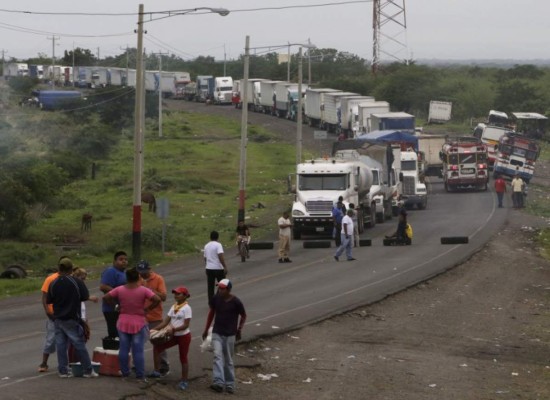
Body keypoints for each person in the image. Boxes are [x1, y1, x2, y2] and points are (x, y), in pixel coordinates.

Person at [103, 267, 161, 381]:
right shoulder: (143, 290)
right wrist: (147, 309)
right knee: (138, 350)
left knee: (124, 349)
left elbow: (106, 297)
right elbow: (157, 299)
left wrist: (116, 306)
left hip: (123, 321)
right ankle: (140, 375)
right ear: (138, 277)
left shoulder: (120, 289)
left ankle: (125, 373)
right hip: (138, 321)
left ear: (127, 278)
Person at [46, 258, 97, 378]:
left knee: (61, 345)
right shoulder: (76, 282)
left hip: (58, 319)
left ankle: (63, 371)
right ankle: (88, 370)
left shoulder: (53, 283)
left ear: (59, 268)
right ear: (71, 269)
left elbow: (49, 300)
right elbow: (85, 296)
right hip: (72, 318)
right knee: (79, 344)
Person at [202, 279, 247, 394]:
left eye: (222, 288)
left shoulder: (236, 302)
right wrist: (206, 329)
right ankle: (218, 382)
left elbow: (243, 315)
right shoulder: (216, 299)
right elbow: (211, 313)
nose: (220, 290)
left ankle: (230, 384)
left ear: (228, 289)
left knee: (228, 360)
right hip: (217, 332)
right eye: (219, 288)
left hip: (230, 334)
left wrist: (239, 330)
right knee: (217, 356)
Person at [149, 286, 192, 391]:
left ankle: (184, 381)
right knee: (157, 348)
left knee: (183, 357)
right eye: (175, 293)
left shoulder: (187, 308)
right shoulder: (174, 307)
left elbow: (186, 325)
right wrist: (153, 330)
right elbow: (165, 322)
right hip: (173, 335)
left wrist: (173, 329)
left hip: (183, 336)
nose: (176, 295)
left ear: (185, 296)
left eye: (178, 294)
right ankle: (156, 371)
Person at [137, 260, 169, 376]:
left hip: (155, 316)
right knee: (137, 342)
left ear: (150, 269)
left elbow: (163, 297)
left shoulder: (158, 279)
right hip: (140, 317)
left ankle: (163, 366)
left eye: (144, 271)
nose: (142, 274)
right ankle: (137, 365)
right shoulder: (137, 279)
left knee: (158, 342)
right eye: (140, 272)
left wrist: (149, 290)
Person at [38, 256, 67, 373]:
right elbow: (44, 297)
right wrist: (47, 311)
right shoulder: (50, 279)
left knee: (70, 340)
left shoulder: (71, 279)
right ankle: (44, 362)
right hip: (54, 315)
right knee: (51, 339)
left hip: (67, 314)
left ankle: (67, 363)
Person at [69, 267, 98, 362]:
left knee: (81, 339)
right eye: (82, 278)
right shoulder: (74, 286)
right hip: (78, 317)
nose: (83, 281)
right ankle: (75, 360)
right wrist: (90, 298)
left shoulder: (78, 285)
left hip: (82, 315)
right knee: (77, 340)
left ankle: (76, 360)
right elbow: (80, 297)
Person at [99, 251, 128, 339]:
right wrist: (118, 292)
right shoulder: (111, 271)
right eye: (121, 259)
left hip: (122, 307)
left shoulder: (124, 273)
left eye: (126, 259)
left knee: (123, 333)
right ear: (114, 261)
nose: (124, 261)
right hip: (111, 308)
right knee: (115, 334)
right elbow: (103, 286)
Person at [204, 231, 228, 303]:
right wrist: (224, 266)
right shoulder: (218, 245)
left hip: (209, 268)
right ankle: (218, 299)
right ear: (218, 237)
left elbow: (205, 258)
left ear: (210, 237)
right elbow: (220, 255)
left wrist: (207, 265)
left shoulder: (206, 246)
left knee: (210, 287)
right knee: (223, 285)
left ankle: (211, 302)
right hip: (218, 268)